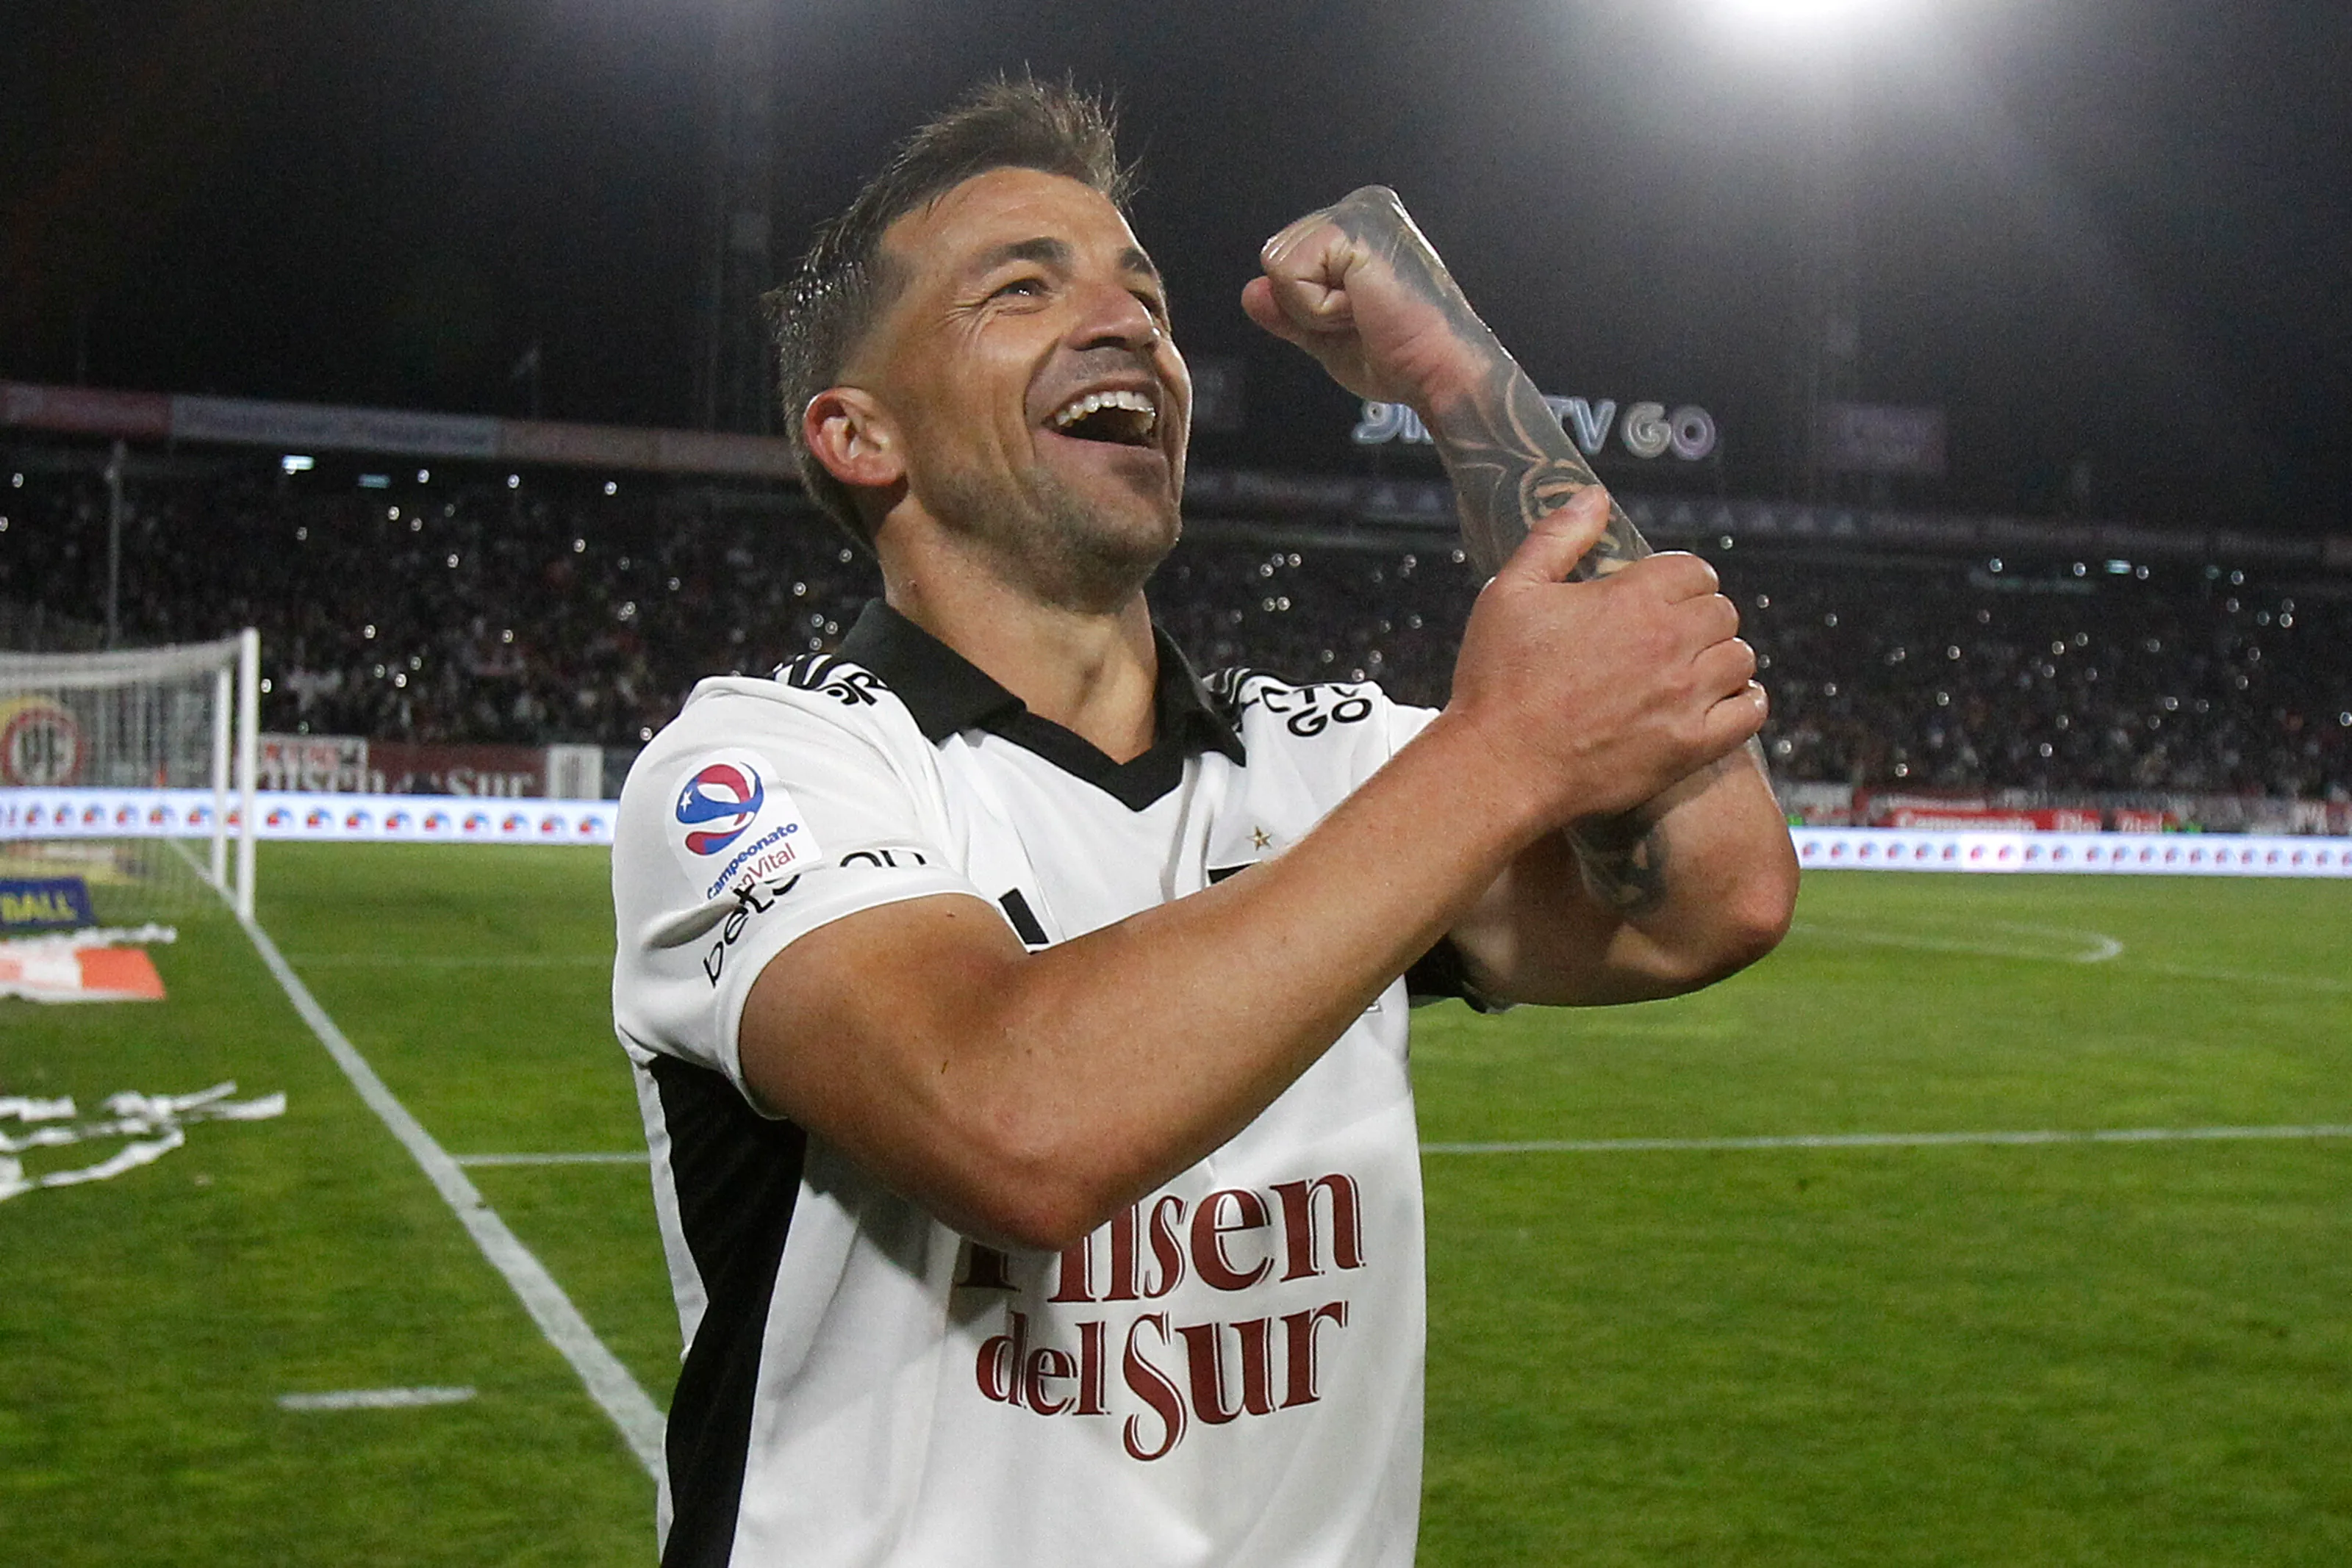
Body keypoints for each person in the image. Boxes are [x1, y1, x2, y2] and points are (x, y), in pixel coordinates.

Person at [612, 77, 1798, 1568]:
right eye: (1021, 289)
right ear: (859, 433)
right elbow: (1014, 1125)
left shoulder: (1325, 759)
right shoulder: (766, 762)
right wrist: (1505, 755)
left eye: (1145, 294)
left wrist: (1456, 378)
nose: (1125, 327)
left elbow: (1713, 894)